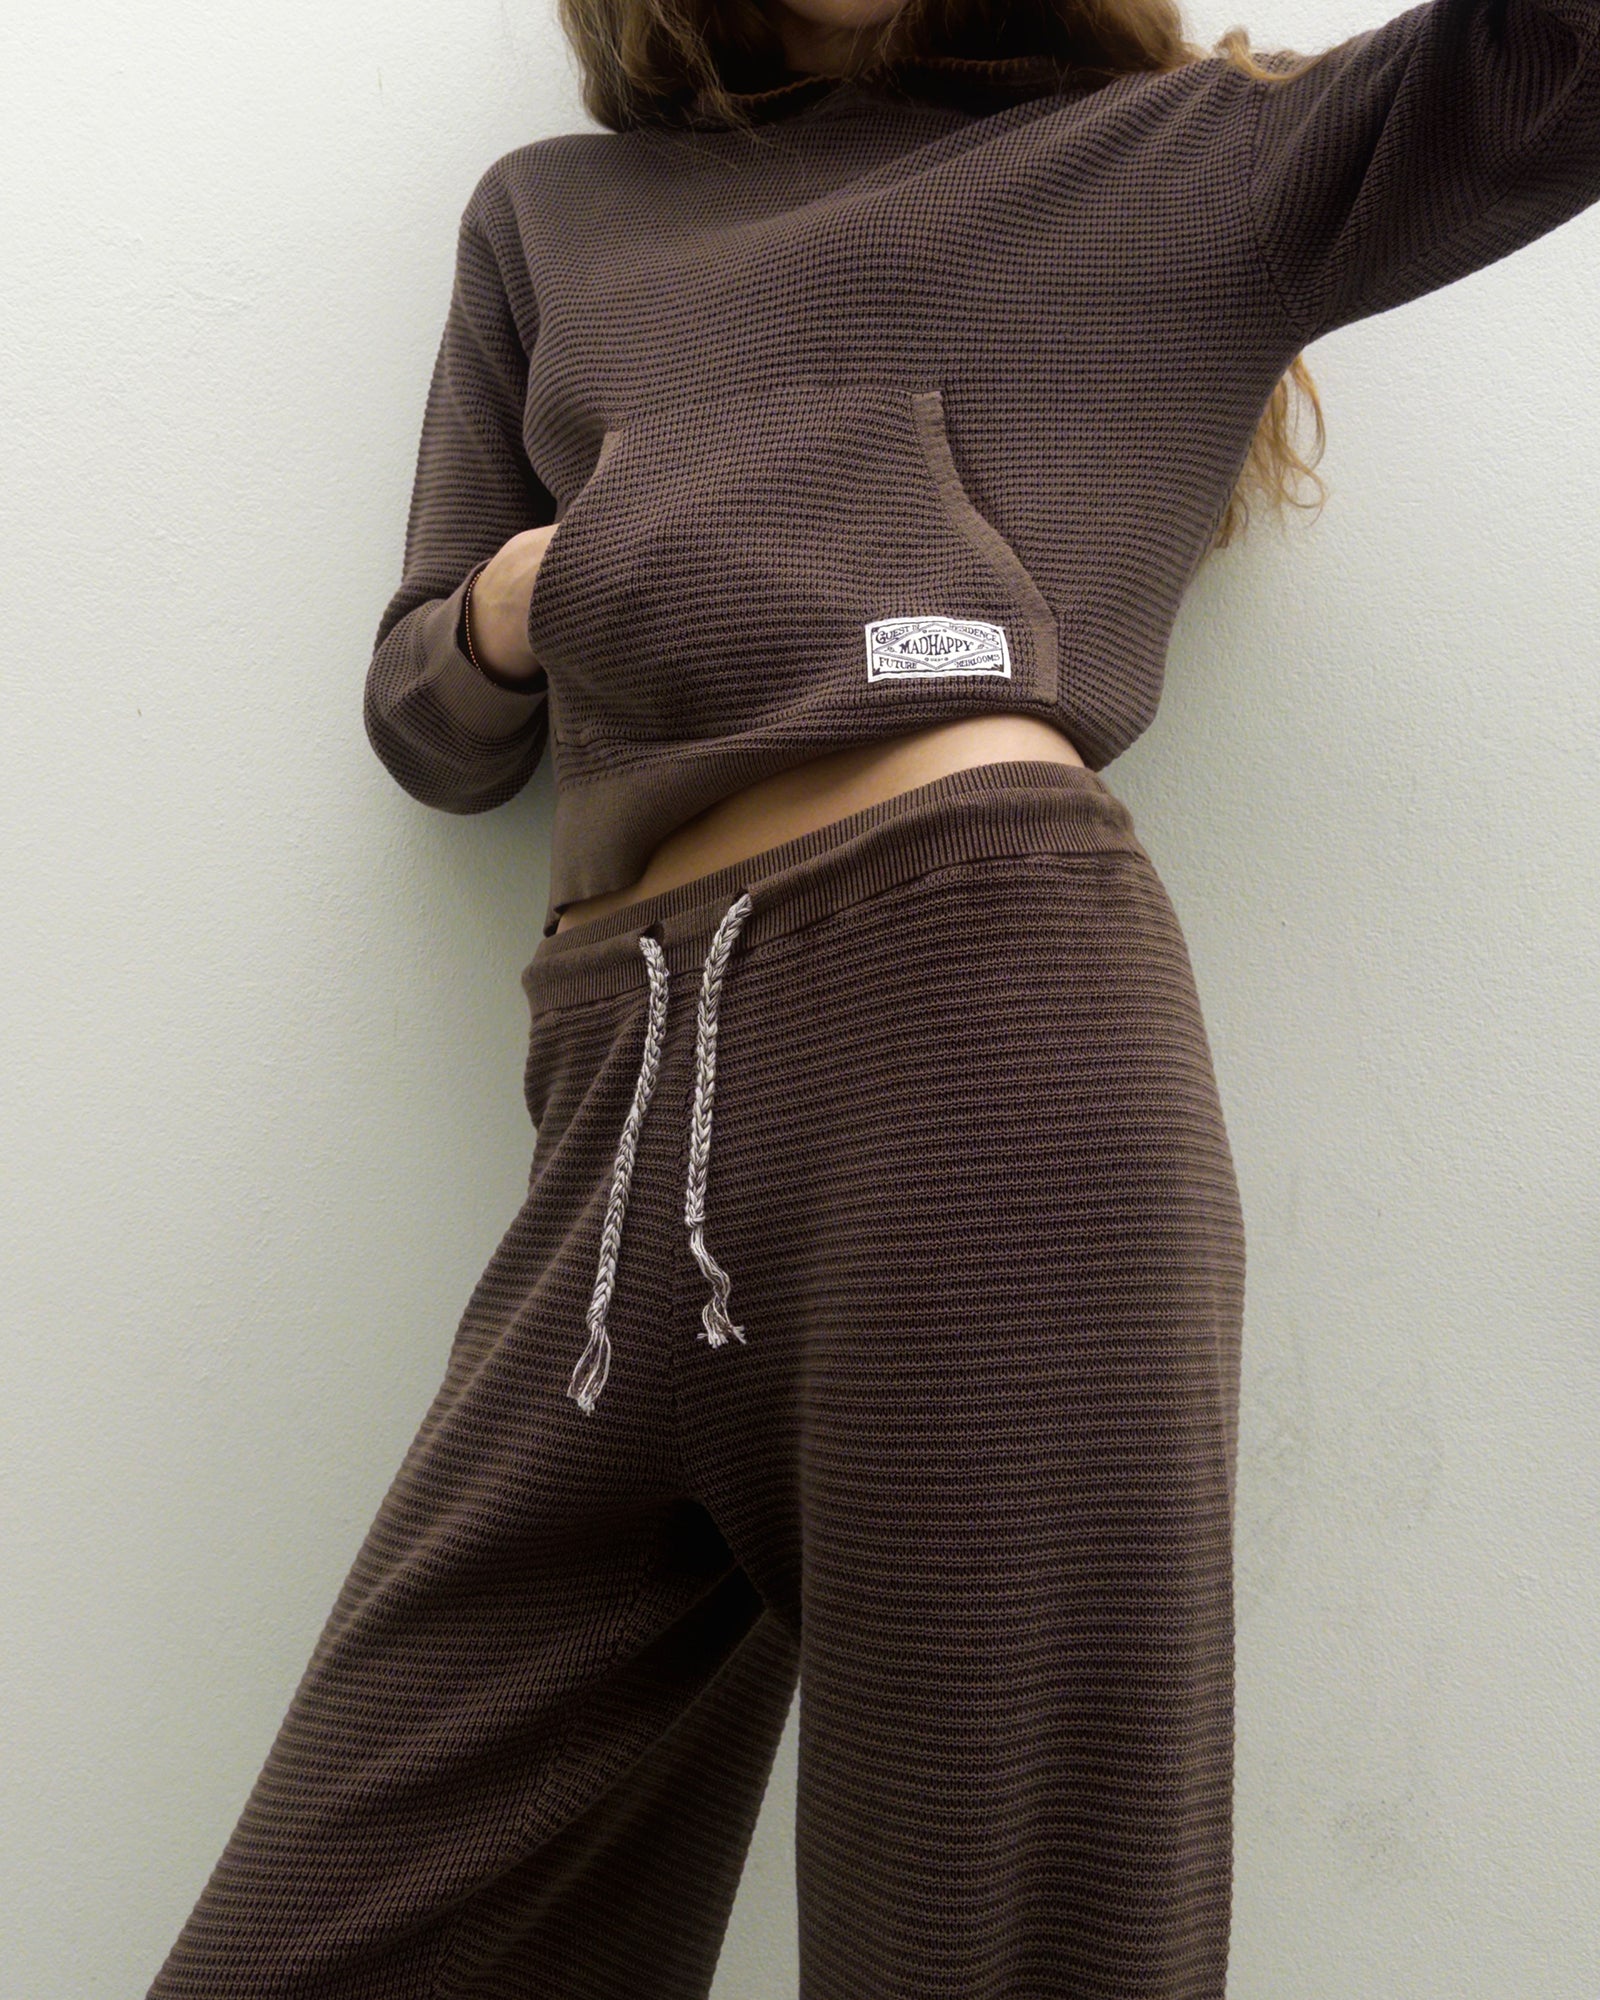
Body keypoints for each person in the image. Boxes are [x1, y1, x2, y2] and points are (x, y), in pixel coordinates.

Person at [145, 0, 1600, 1988]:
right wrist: (530, 591)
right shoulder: (550, 214)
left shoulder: (1195, 162)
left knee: (1002, 1943)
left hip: (980, 1048)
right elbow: (429, 720)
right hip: (617, 1117)